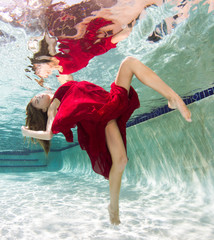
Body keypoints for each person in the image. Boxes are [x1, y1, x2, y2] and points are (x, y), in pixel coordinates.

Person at [21, 56, 192, 225]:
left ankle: (172, 97)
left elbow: (65, 70)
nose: (40, 95)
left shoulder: (62, 88)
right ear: (42, 109)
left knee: (129, 62)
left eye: (37, 96)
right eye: (37, 100)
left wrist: (55, 60)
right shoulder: (52, 109)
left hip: (109, 103)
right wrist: (28, 132)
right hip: (101, 119)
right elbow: (49, 134)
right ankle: (114, 207)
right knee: (121, 160)